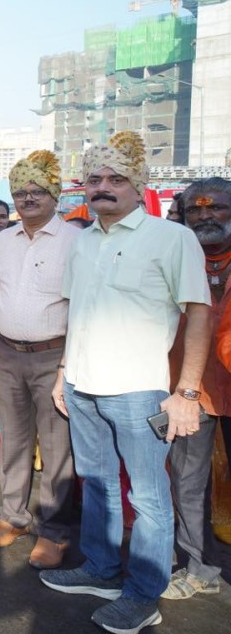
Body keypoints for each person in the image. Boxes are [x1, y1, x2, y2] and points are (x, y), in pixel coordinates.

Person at [41, 131, 210, 634]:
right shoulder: (82, 241)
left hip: (140, 391)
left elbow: (198, 313)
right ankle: (101, 569)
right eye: (94, 179)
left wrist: (187, 392)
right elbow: (77, 312)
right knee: (96, 485)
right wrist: (64, 372)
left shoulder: (172, 238)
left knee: (149, 498)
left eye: (116, 179)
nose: (103, 187)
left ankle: (143, 595)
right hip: (82, 386)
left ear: (139, 186)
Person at [0, 151, 77, 570]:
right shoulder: (3, 241)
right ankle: (14, 518)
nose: (27, 198)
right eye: (20, 191)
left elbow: (81, 306)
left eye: (37, 190)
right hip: (7, 353)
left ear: (55, 195)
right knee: (15, 440)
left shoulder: (75, 240)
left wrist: (67, 368)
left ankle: (54, 532)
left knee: (57, 448)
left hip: (53, 355)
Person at [164, 178, 231, 599]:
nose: (205, 215)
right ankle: (199, 568)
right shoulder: (172, 258)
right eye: (195, 209)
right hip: (190, 390)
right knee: (187, 483)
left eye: (216, 207)